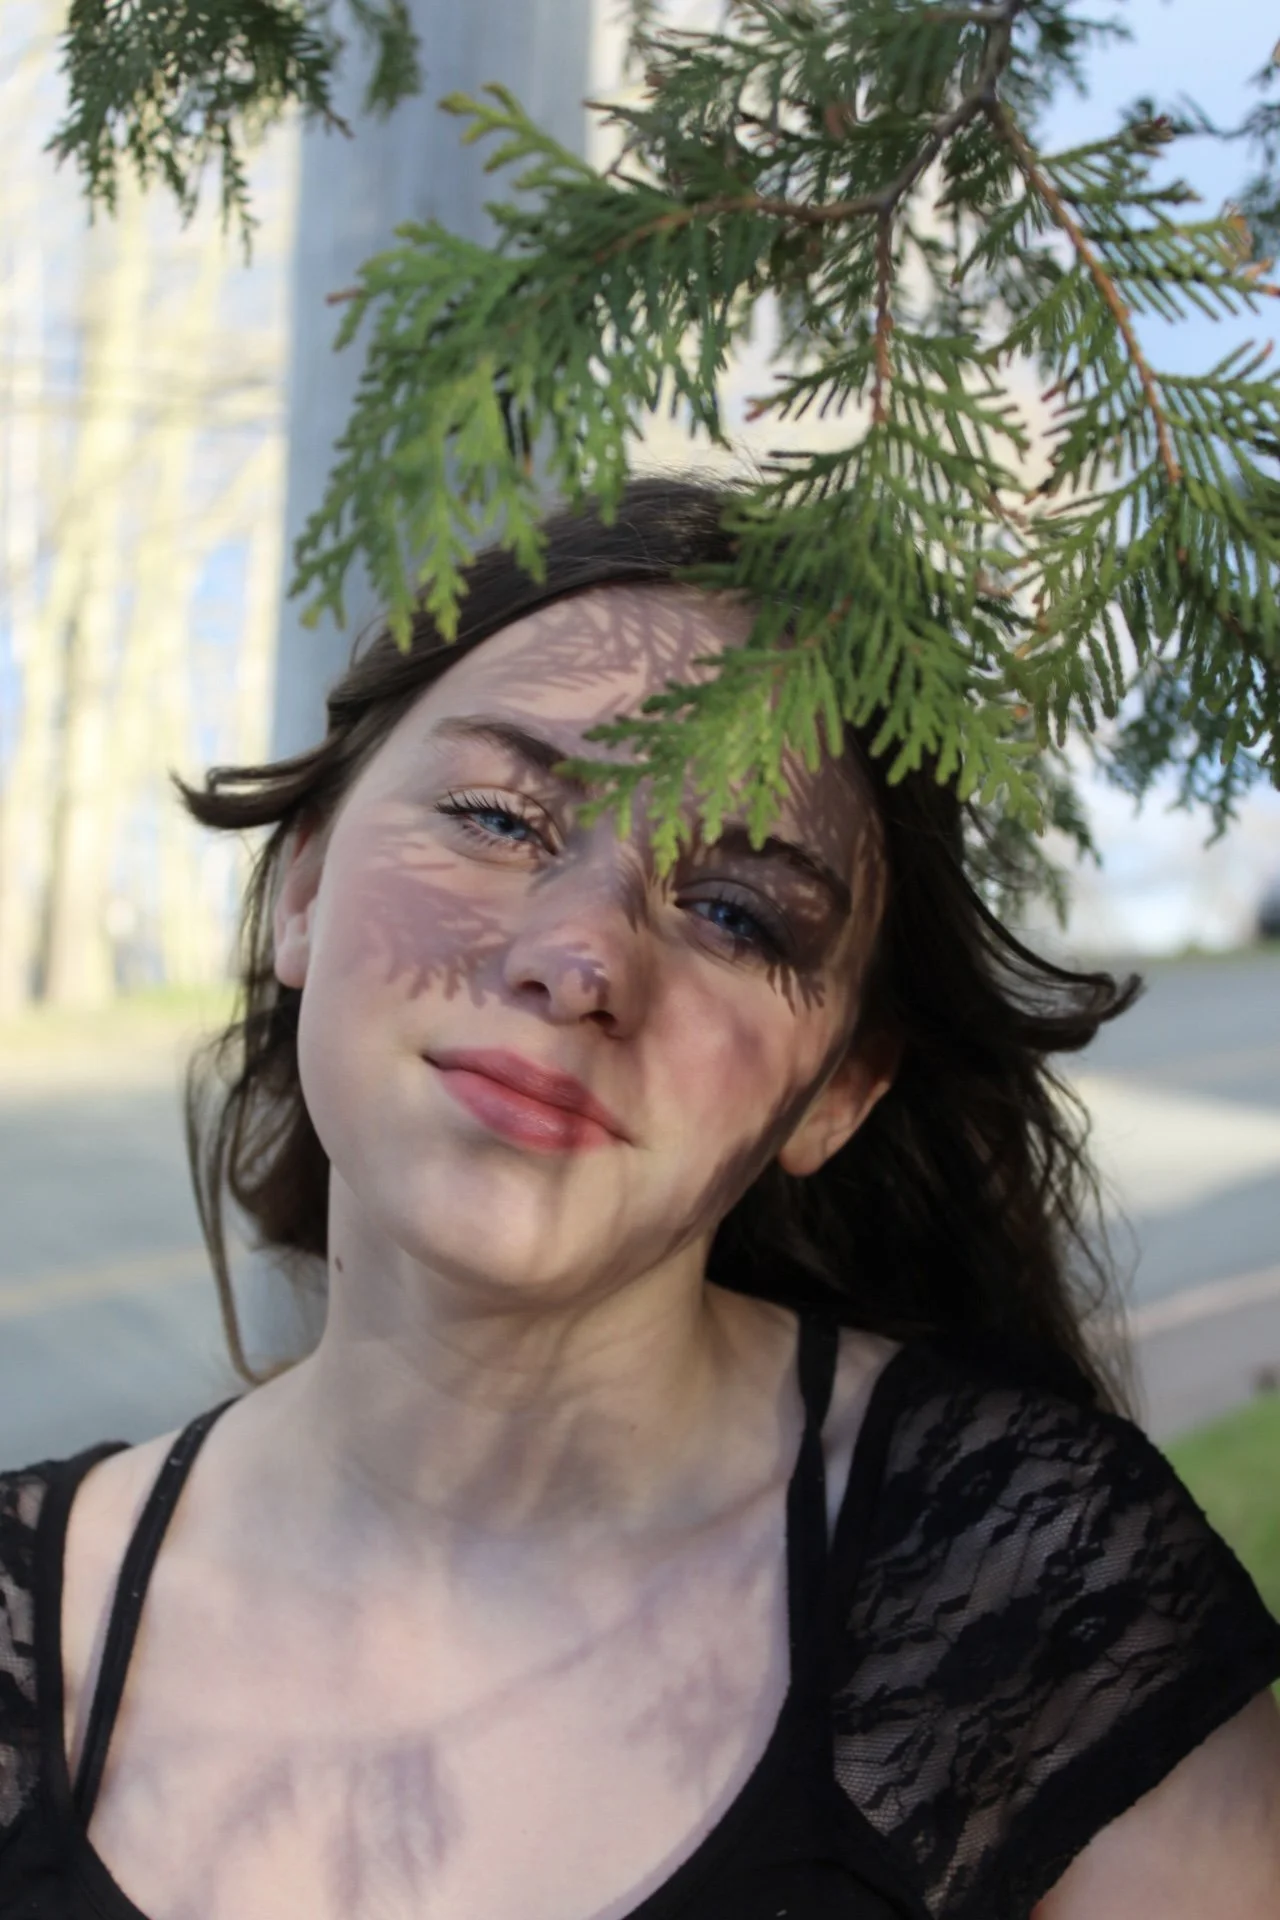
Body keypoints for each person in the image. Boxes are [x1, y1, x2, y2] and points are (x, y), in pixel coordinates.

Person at [1, 478, 1278, 1920]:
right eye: (497, 816)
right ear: (302, 888)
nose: (578, 958)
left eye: (737, 912)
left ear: (844, 1087)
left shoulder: (1043, 1610)